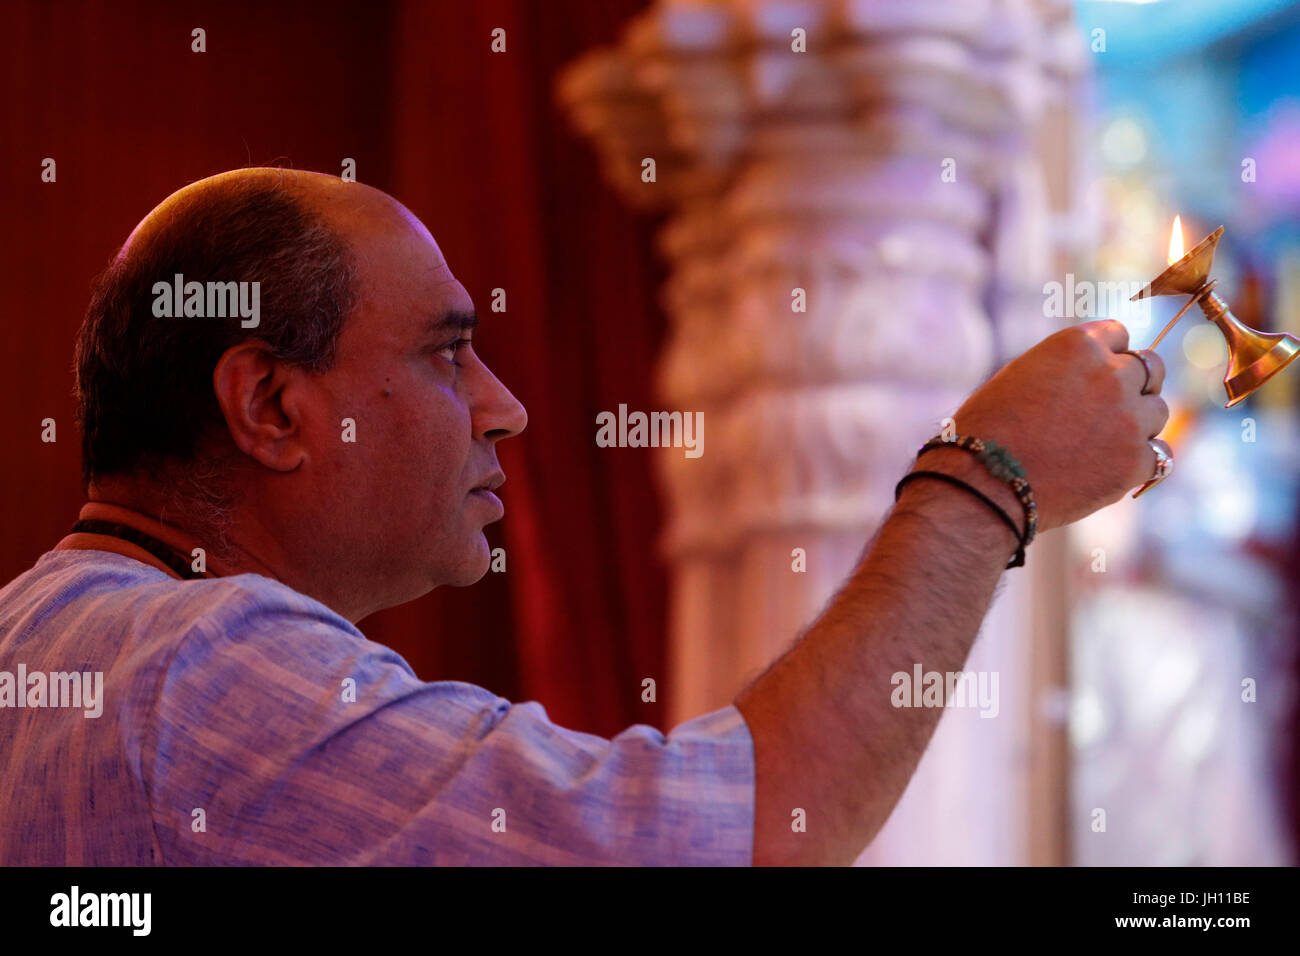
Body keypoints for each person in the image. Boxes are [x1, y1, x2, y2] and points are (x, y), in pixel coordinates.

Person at [0, 168, 1169, 866]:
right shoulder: (199, 663)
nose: (504, 409)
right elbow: (740, 833)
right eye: (448, 354)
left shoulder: (44, 637)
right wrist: (987, 475)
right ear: (270, 403)